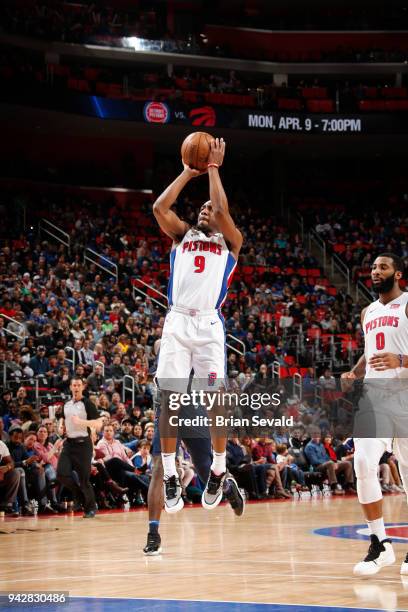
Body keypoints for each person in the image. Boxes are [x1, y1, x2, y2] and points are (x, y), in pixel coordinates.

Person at [153, 137, 244, 513]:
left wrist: (213, 170)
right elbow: (160, 206)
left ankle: (220, 471)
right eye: (203, 208)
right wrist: (187, 173)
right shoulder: (182, 236)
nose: (207, 210)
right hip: (177, 320)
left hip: (208, 325)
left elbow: (221, 207)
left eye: (211, 208)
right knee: (170, 399)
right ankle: (172, 474)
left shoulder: (231, 243)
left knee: (215, 398)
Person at [341, 253, 408, 576]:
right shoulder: (368, 311)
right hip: (374, 398)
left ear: (398, 273)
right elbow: (370, 354)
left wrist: (402, 360)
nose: (375, 271)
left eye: (383, 267)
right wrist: (353, 372)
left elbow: (395, 355)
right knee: (364, 463)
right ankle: (380, 544)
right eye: (372, 267)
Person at [57, 377, 105, 518]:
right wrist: (61, 426)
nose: (76, 387)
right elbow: (62, 417)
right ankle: (79, 496)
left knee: (84, 480)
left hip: (83, 445)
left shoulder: (87, 403)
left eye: (79, 385)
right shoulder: (66, 405)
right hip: (69, 444)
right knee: (61, 474)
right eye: (74, 385)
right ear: (71, 387)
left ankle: (90, 508)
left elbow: (98, 424)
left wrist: (81, 422)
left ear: (82, 387)